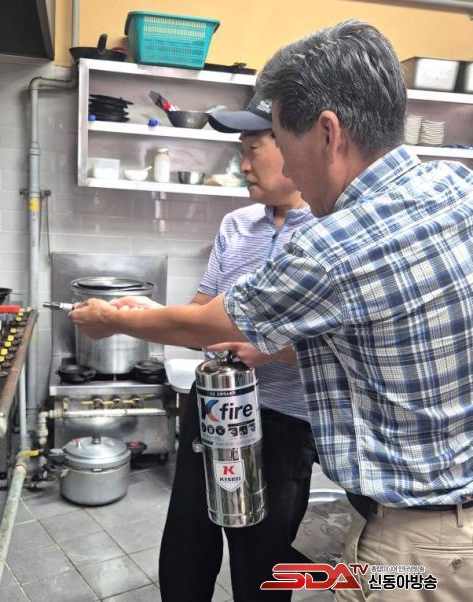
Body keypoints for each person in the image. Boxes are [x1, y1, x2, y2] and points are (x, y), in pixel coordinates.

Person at [71, 20, 473, 602]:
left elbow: (207, 322)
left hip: (419, 544)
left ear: (328, 133)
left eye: (280, 144)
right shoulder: (456, 186)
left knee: (269, 565)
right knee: (193, 538)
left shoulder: (334, 243)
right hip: (440, 527)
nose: (276, 162)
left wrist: (114, 319)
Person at [122, 96, 317, 602]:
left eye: (254, 150)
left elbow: (344, 345)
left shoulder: (330, 231)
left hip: (283, 422)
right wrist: (148, 313)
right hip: (211, 409)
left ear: (295, 146)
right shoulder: (236, 225)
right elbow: (201, 311)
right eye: (240, 152)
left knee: (263, 560)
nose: (244, 165)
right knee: (188, 542)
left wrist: (268, 351)